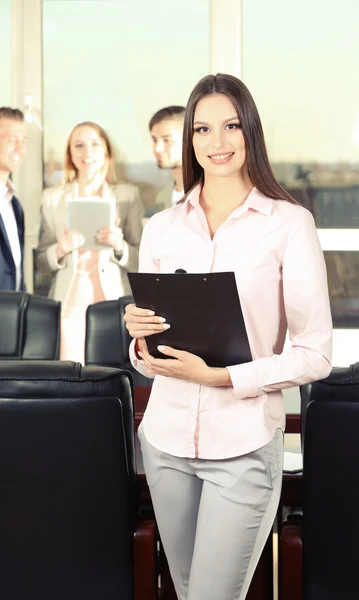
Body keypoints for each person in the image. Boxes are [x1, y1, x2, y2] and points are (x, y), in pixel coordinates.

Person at [124, 73, 332, 600]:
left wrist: (219, 376)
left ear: (250, 132)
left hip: (242, 446)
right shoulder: (161, 228)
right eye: (202, 129)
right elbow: (150, 360)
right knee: (190, 591)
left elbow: (315, 354)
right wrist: (140, 339)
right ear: (190, 140)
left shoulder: (289, 224)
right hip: (166, 442)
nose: (217, 143)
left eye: (231, 126)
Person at [36, 120, 143, 363]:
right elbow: (42, 262)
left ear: (106, 150)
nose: (87, 153)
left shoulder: (127, 195)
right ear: (70, 154)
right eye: (79, 145)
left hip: (114, 300)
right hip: (69, 303)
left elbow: (141, 261)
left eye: (95, 144)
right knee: (71, 376)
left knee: (109, 375)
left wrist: (120, 246)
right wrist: (61, 248)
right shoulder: (52, 199)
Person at [0, 107, 27, 291]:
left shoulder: (14, 206)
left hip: (11, 314)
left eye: (23, 141)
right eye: (11, 140)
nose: (20, 148)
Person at [147, 105, 185, 216]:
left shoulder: (209, 193)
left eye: (166, 140)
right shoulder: (162, 197)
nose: (157, 148)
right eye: (154, 140)